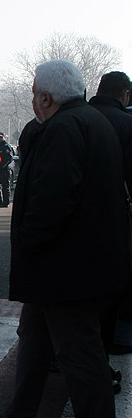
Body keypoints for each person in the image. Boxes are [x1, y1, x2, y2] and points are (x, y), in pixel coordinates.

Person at [0, 59, 128, 418]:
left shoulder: (63, 128)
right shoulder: (92, 122)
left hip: (65, 268)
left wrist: (28, 240)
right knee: (35, 340)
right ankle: (19, 417)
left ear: (46, 97)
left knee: (79, 354)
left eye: (33, 93)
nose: (32, 100)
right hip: (75, 265)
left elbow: (52, 198)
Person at [88, 71, 132, 361]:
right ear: (125, 95)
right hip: (116, 220)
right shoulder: (127, 124)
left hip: (77, 221)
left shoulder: (75, 120)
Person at [0, 132, 15, 208]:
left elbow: (9, 158)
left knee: (5, 186)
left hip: (5, 170)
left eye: (1, 137)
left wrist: (3, 166)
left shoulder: (6, 146)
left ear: (4, 138)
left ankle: (6, 202)